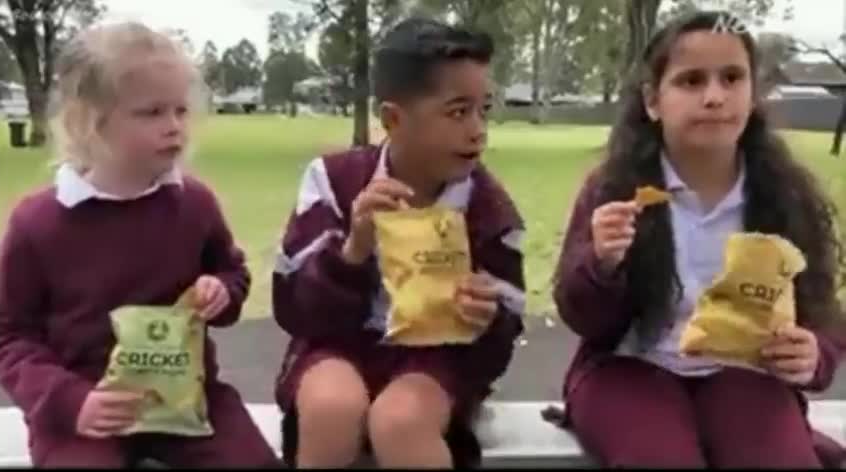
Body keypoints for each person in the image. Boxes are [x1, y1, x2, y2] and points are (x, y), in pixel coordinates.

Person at [551, 10, 846, 468]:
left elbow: (821, 307)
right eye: (691, 81)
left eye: (732, 78)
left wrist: (814, 352)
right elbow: (583, 316)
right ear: (652, 101)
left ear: (753, 95)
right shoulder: (615, 190)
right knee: (661, 458)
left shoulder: (784, 194)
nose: (714, 97)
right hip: (628, 369)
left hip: (745, 373)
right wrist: (601, 264)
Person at [0, 22, 279, 468]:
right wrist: (70, 401)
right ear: (88, 121)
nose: (173, 128)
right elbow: (7, 336)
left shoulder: (194, 204)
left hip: (189, 400)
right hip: (86, 413)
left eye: (181, 111)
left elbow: (232, 274)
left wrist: (221, 291)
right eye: (151, 113)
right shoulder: (38, 223)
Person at [271, 18, 526, 468]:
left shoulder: (487, 207)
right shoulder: (332, 182)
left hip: (438, 356)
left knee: (400, 422)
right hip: (337, 344)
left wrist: (487, 317)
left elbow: (504, 332)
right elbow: (293, 308)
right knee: (331, 408)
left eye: (484, 109)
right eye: (457, 111)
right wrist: (352, 252)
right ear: (393, 119)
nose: (478, 130)